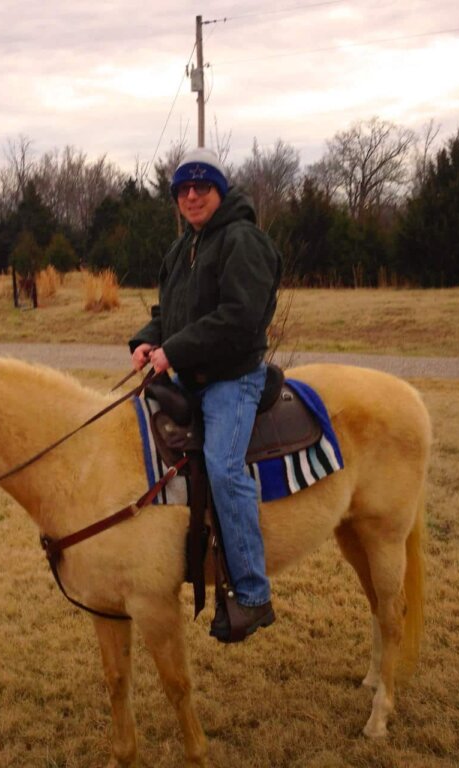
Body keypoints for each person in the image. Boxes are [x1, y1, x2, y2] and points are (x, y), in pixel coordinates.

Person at [129, 147, 282, 642]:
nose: (192, 196)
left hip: (230, 379)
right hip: (185, 375)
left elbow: (239, 320)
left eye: (202, 187)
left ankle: (254, 594)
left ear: (220, 190)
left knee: (222, 465)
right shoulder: (182, 249)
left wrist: (173, 349)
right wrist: (148, 339)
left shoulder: (243, 241)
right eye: (183, 189)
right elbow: (168, 312)